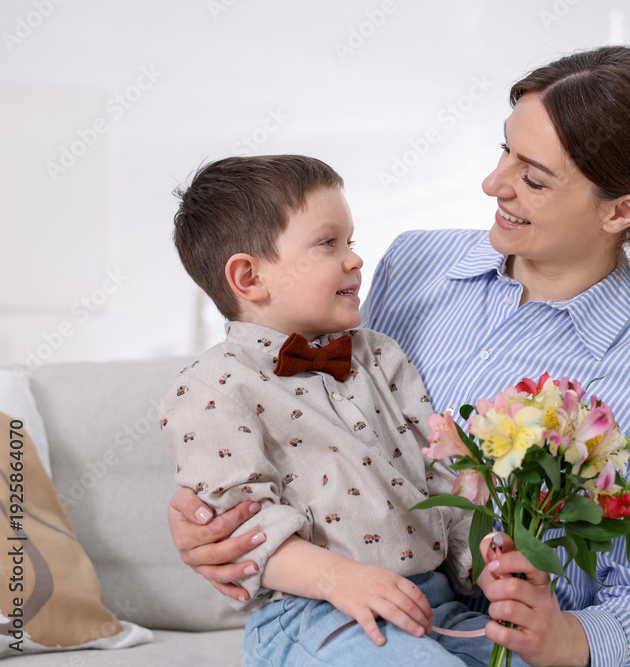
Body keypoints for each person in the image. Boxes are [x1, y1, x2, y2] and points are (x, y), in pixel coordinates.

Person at [167, 45, 630, 667]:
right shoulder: (415, 264)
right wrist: (212, 518)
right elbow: (319, 435)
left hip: (479, 632)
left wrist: (560, 638)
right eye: (505, 150)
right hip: (344, 612)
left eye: (534, 178)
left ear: (622, 210)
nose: (493, 184)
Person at [161, 154, 521, 667]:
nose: (354, 260)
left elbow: (440, 475)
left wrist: (487, 563)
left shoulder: (381, 355)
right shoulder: (211, 385)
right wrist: (340, 579)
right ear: (249, 277)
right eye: (328, 243)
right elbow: (241, 526)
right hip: (314, 613)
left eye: (350, 241)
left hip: (435, 603)